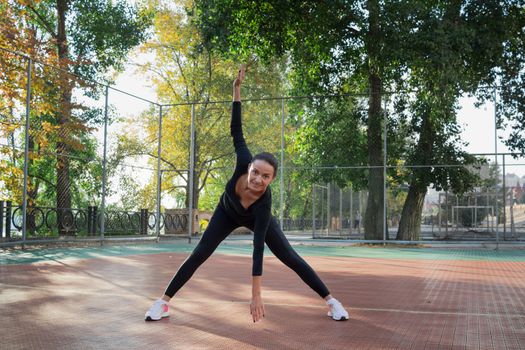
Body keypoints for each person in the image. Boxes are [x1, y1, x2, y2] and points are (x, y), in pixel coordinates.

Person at [145, 65, 349, 323]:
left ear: (272, 179)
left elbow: (257, 249)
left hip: (254, 219)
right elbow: (236, 129)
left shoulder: (264, 204)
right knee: (199, 254)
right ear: (249, 167)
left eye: (266, 177)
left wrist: (256, 295)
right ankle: (163, 303)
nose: (258, 179)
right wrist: (236, 90)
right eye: (256, 172)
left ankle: (332, 302)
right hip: (227, 212)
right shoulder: (243, 159)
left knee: (290, 257)